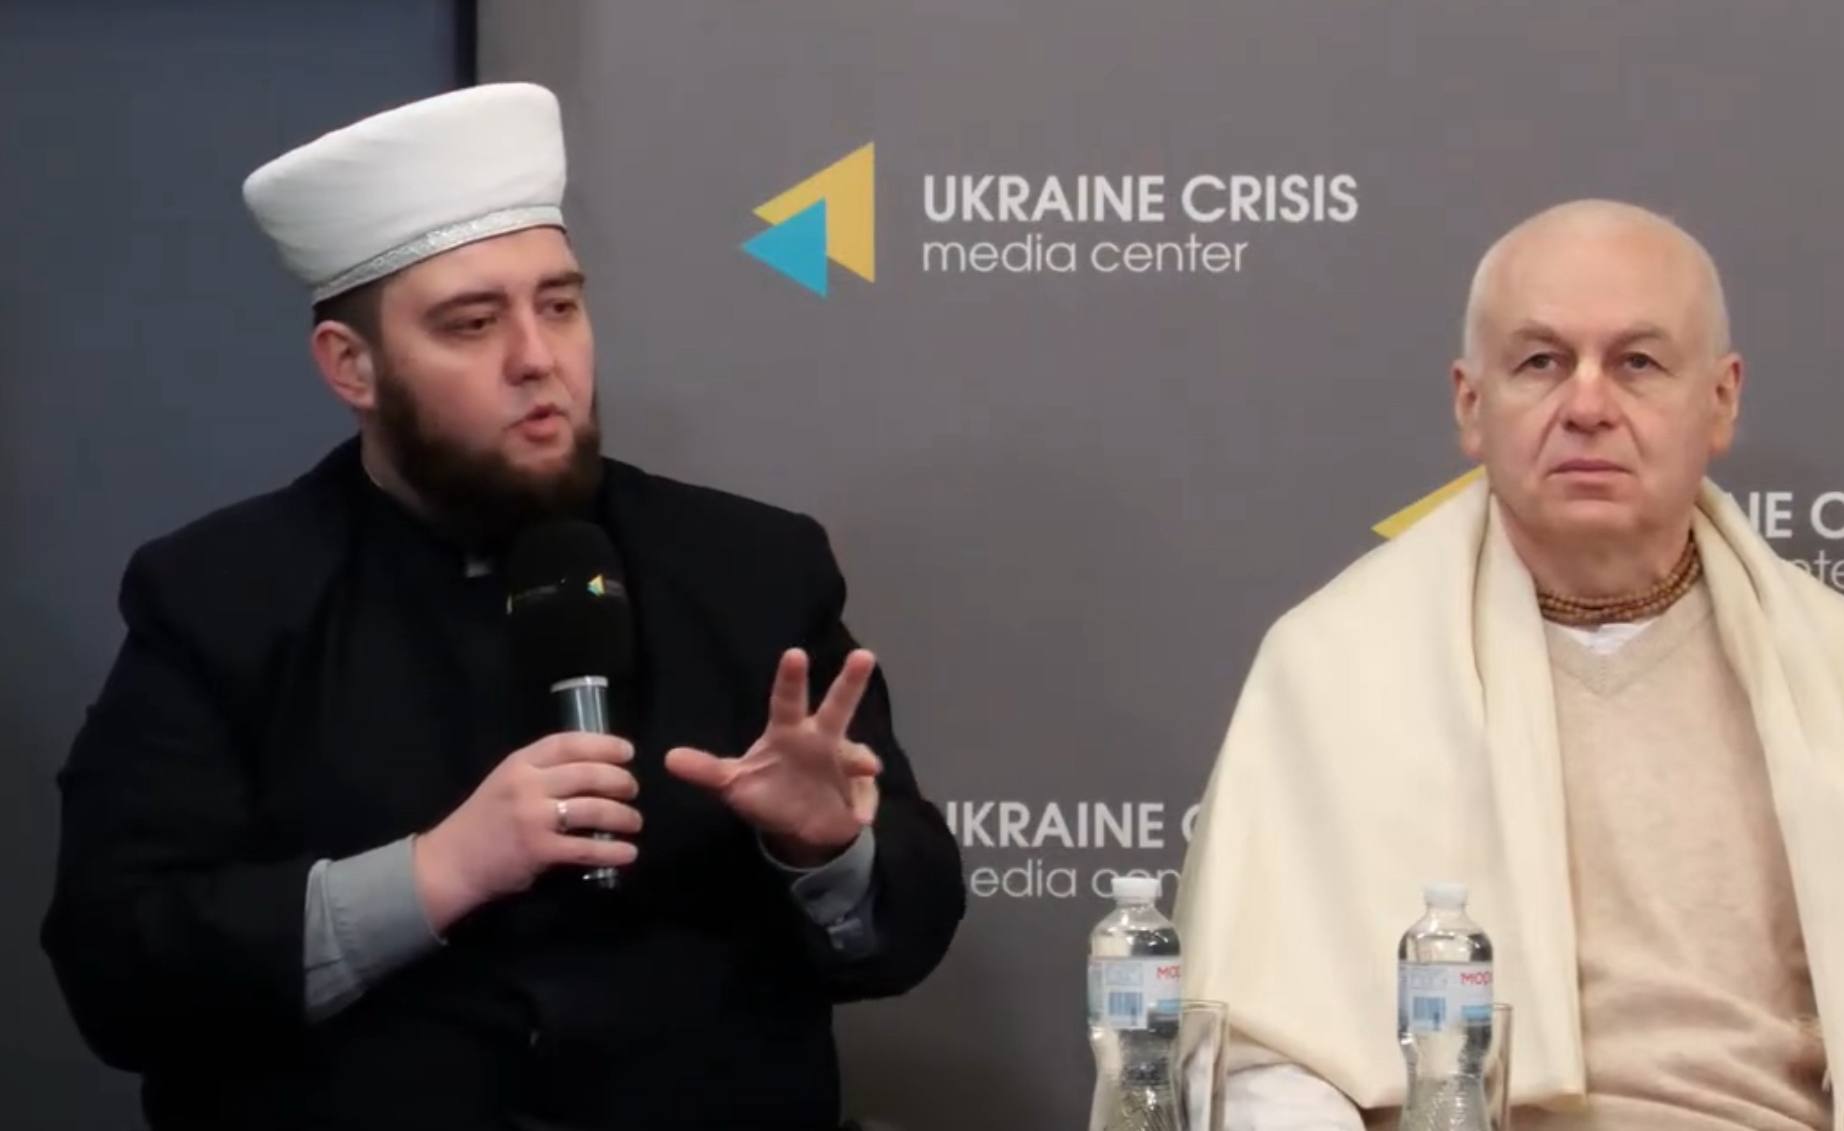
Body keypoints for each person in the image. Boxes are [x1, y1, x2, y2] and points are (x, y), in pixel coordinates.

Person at [41, 82, 965, 1131]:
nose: (538, 359)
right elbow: (120, 966)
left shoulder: (751, 567)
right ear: (352, 366)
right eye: (473, 324)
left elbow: (907, 931)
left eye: (559, 306)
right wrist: (438, 872)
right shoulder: (221, 596)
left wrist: (825, 852)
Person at [1176, 199, 1841, 1129]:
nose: (1588, 406)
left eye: (1637, 363)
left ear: (1721, 399)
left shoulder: (1829, 667)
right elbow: (1257, 1054)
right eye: (1541, 362)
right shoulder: (1333, 665)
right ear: (1470, 404)